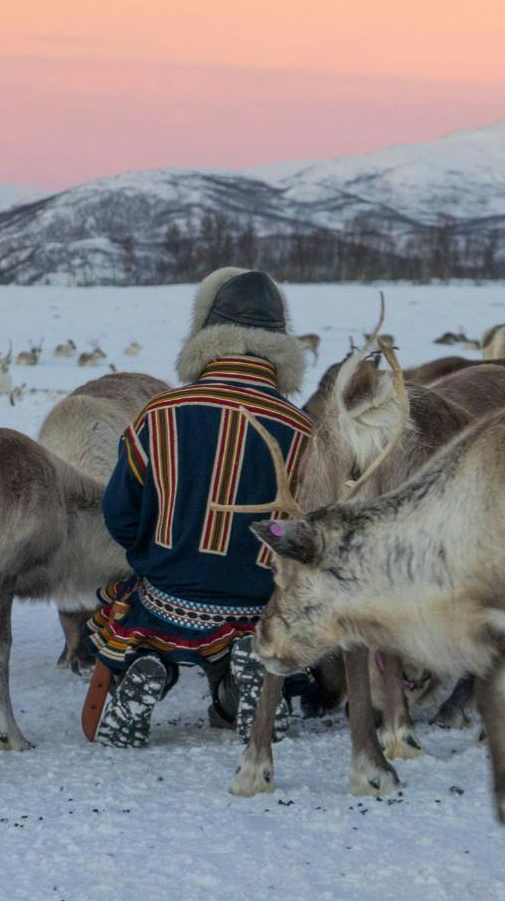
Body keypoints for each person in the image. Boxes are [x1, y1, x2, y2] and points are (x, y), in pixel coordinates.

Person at [83, 267, 312, 748]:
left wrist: (152, 551)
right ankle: (247, 682)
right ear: (280, 345)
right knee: (262, 632)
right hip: (257, 595)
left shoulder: (161, 412)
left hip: (171, 589)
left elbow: (120, 511)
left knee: (142, 626)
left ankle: (151, 671)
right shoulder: (304, 429)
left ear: (208, 335)